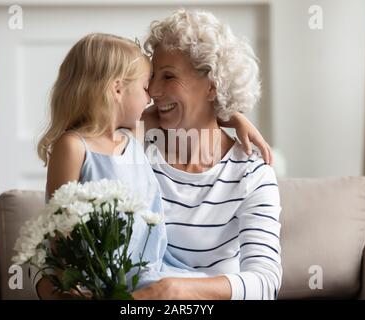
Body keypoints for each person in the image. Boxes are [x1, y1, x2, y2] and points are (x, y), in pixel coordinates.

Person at [34, 32, 270, 299]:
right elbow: (57, 236)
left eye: (167, 77)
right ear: (117, 88)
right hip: (98, 277)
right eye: (147, 84)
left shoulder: (133, 136)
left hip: (151, 275)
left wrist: (234, 115)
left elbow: (201, 109)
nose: (153, 95)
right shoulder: (94, 143)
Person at [131, 9, 282, 300]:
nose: (152, 90)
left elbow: (265, 283)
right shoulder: (136, 151)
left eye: (169, 76)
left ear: (212, 86)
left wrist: (174, 290)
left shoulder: (251, 173)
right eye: (152, 77)